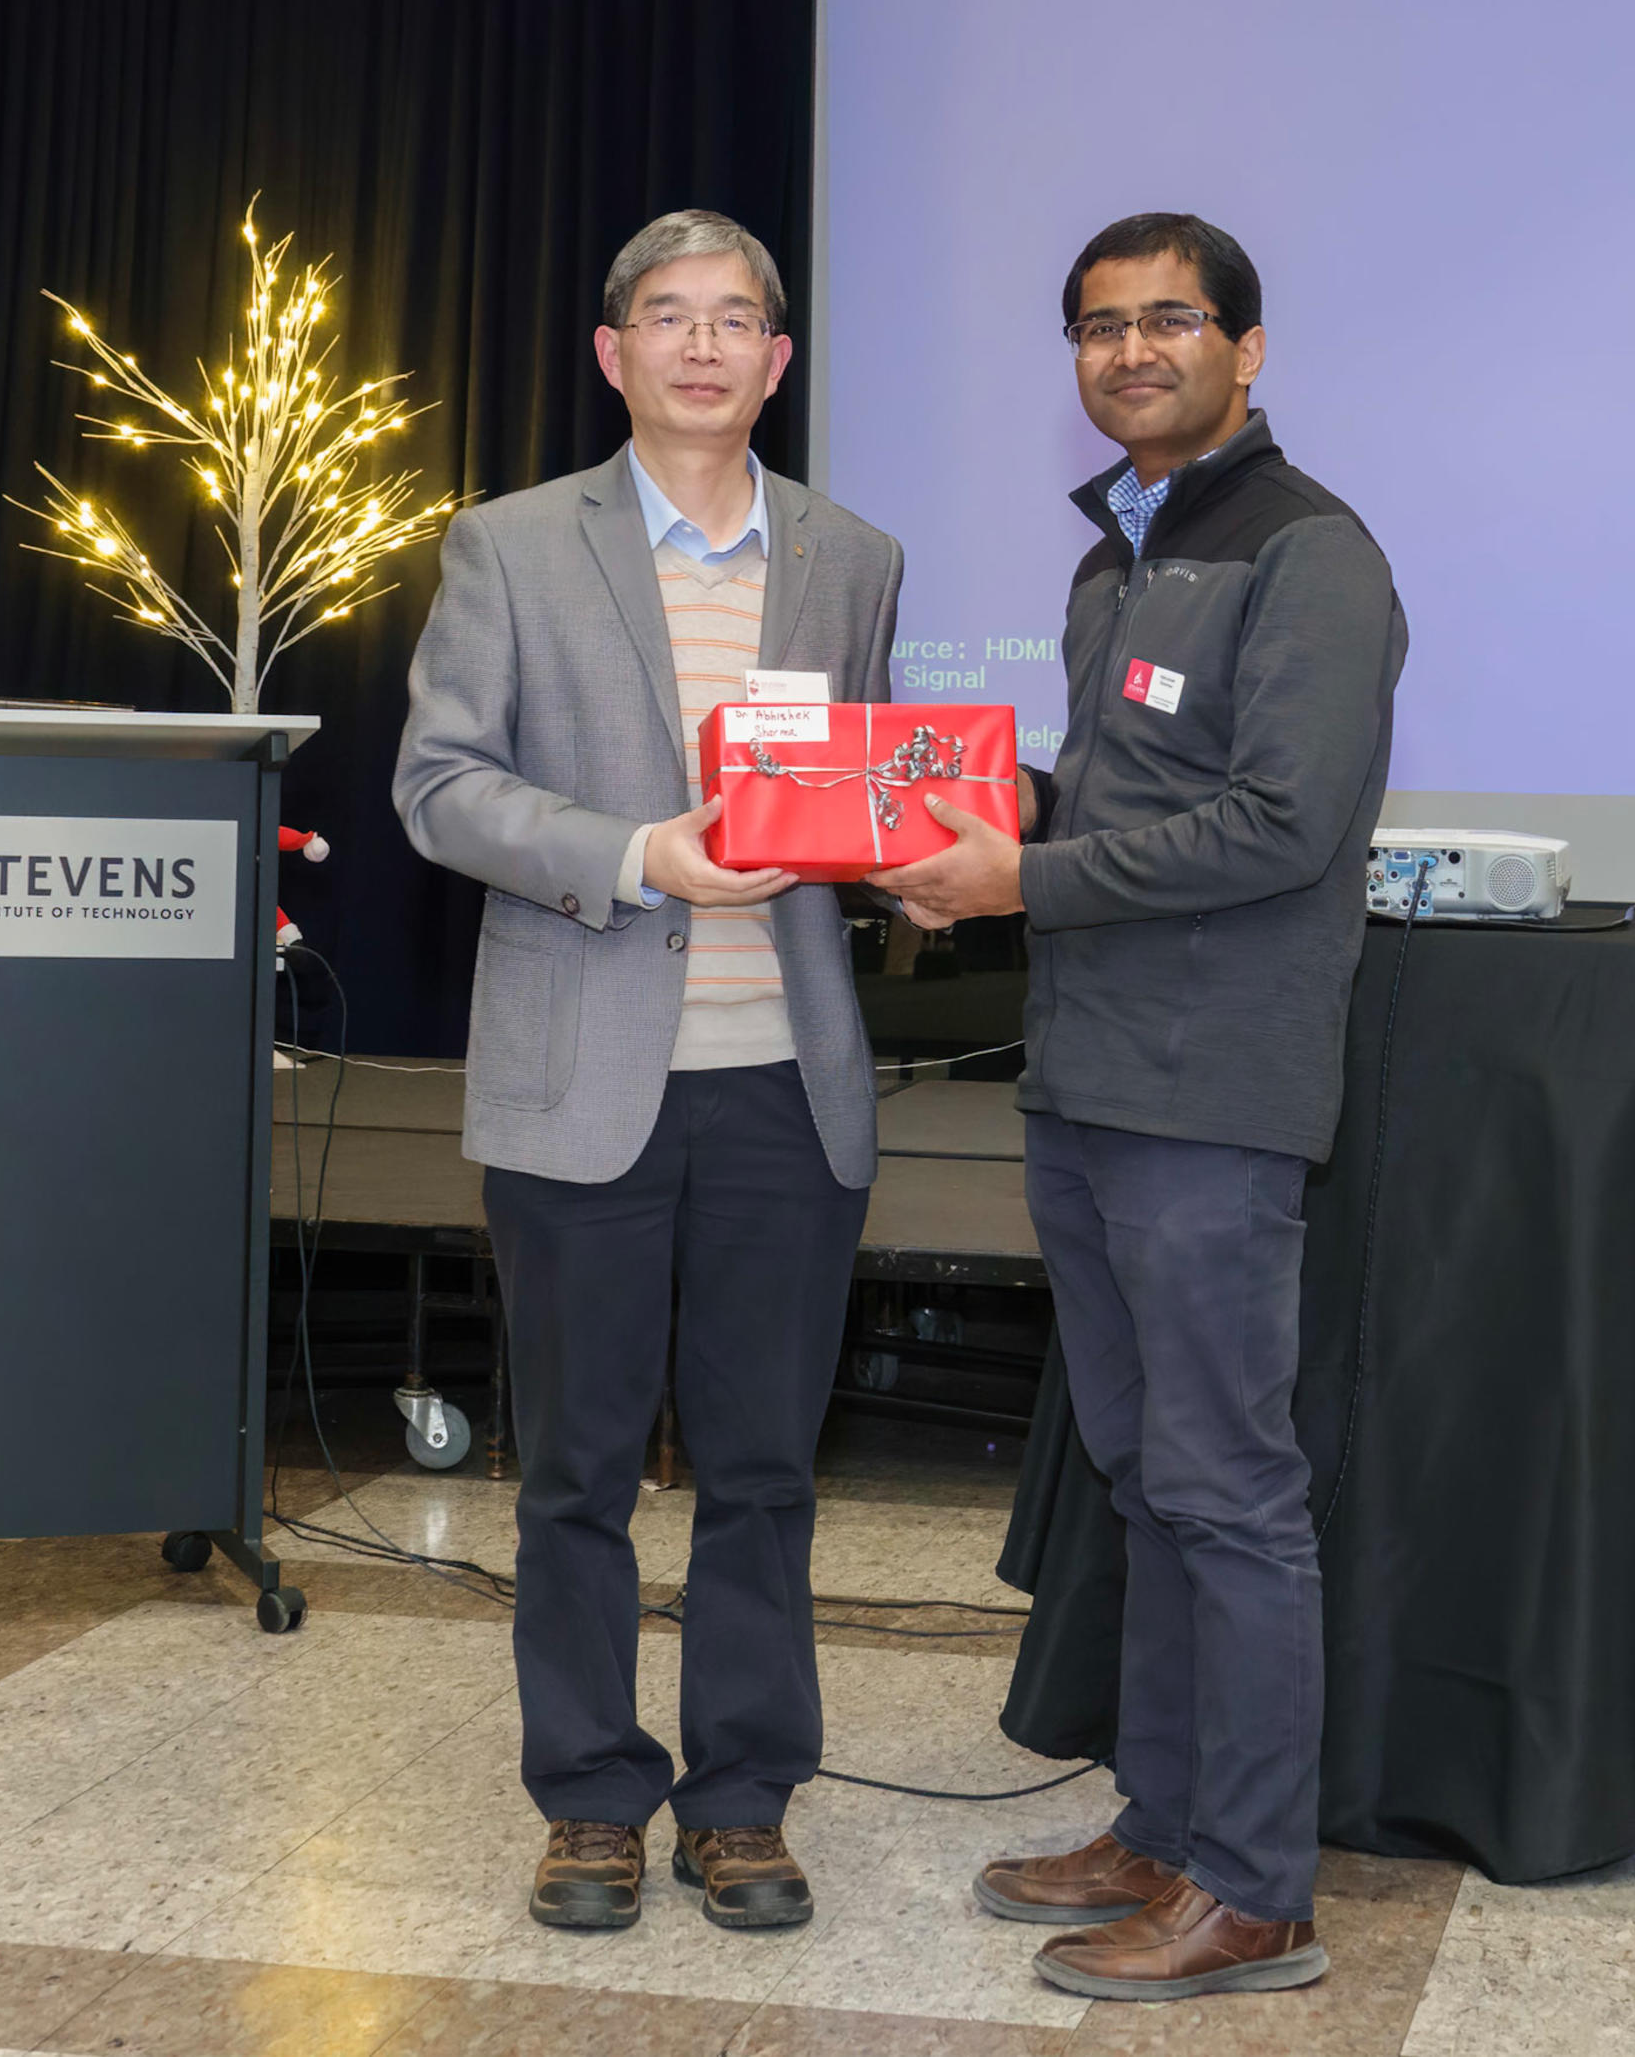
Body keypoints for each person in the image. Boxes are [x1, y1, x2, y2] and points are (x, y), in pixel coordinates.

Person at [871, 212, 1407, 2002]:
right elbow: (1123, 800)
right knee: (1148, 1474)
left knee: (1230, 1490)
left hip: (1211, 1093)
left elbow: (1282, 824)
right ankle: (1167, 1822)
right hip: (1087, 1081)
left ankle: (1253, 1889)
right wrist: (969, 808)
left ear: (1248, 349)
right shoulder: (1114, 561)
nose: (1131, 351)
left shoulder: (1311, 552)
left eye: (1171, 319)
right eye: (1100, 327)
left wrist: (1018, 875)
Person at [394, 209, 901, 1935]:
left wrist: (916, 844)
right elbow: (439, 785)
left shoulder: (854, 556)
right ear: (615, 354)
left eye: (735, 318)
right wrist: (635, 854)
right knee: (577, 1473)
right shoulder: (511, 545)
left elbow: (858, 789)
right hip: (582, 1079)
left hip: (789, 1082)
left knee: (764, 1469)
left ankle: (743, 1799)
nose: (702, 345)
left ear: (776, 358)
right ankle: (593, 1798)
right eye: (668, 317)